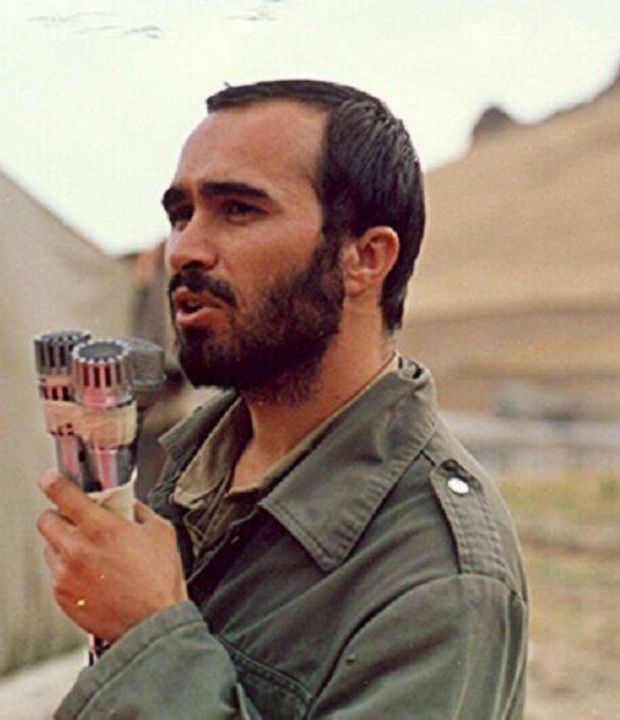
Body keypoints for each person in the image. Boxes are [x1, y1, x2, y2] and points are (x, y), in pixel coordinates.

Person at [37, 80, 528, 719]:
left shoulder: (437, 575)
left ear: (365, 257)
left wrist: (148, 635)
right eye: (181, 214)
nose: (184, 250)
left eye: (239, 210)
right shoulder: (198, 465)